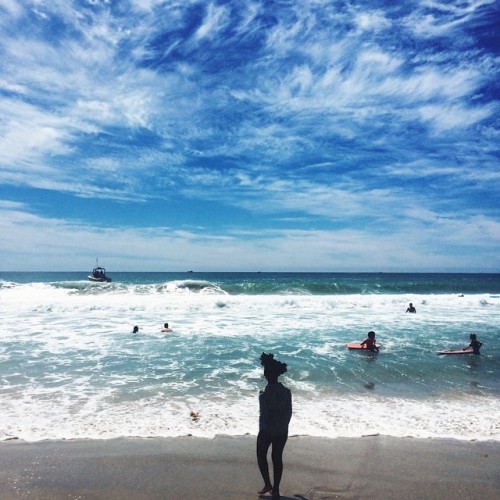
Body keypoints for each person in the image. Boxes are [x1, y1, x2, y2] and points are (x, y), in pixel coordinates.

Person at [257, 352, 292, 499]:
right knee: (277, 458)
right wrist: (283, 427)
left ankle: (267, 484)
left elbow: (264, 415)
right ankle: (276, 489)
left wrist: (265, 430)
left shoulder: (264, 395)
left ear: (266, 375)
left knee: (261, 456)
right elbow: (289, 412)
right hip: (282, 430)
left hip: (266, 431)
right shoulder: (286, 392)